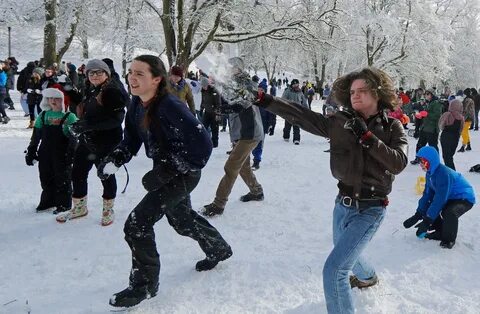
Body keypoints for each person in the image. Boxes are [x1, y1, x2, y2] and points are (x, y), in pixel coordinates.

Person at [255, 67, 408, 313]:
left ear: (377, 94)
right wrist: (267, 101)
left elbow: (398, 162)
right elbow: (302, 116)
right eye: (352, 92)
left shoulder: (392, 128)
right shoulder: (340, 122)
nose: (355, 96)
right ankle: (368, 277)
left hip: (371, 208)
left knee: (335, 270)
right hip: (342, 205)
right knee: (348, 254)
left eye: (362, 91)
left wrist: (367, 137)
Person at [97, 55, 231, 308]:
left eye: (139, 74)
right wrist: (116, 158)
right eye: (130, 72)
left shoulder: (170, 105)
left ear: (156, 79)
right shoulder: (136, 104)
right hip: (166, 170)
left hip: (185, 172)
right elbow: (133, 138)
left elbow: (202, 147)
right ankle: (218, 249)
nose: (132, 78)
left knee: (137, 225)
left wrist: (168, 170)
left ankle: (145, 285)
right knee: (181, 220)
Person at [56, 59, 129, 226]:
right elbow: (86, 105)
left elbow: (116, 120)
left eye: (99, 72)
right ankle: (80, 208)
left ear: (107, 74)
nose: (95, 75)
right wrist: (69, 89)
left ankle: (108, 210)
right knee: (78, 173)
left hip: (106, 142)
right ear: (87, 75)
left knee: (105, 174)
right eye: (91, 73)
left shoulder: (112, 91)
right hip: (88, 139)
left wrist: (86, 125)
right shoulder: (93, 88)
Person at [201, 57, 264, 217]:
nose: (230, 69)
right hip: (240, 132)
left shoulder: (247, 83)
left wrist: (226, 109)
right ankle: (257, 192)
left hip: (249, 133)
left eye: (233, 67)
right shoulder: (232, 83)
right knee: (243, 167)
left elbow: (245, 103)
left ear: (240, 68)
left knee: (231, 167)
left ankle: (218, 204)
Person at [403, 146, 475, 249]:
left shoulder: (444, 174)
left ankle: (448, 240)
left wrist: (427, 221)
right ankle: (439, 232)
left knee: (449, 212)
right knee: (431, 205)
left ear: (430, 161)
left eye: (422, 161)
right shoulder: (430, 174)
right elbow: (427, 195)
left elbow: (440, 200)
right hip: (451, 196)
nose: (420, 164)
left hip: (465, 197)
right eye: (419, 161)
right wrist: (418, 214)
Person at [24, 88, 78, 214]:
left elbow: (74, 138)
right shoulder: (43, 115)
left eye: (57, 98)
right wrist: (32, 150)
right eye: (50, 98)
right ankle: (48, 201)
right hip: (45, 153)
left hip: (62, 153)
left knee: (62, 179)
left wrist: (71, 153)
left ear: (64, 100)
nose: (53, 101)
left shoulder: (69, 117)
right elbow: (36, 135)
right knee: (45, 177)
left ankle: (63, 204)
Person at [410, 89, 443, 164]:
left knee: (433, 146)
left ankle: (436, 160)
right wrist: (420, 116)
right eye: (425, 94)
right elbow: (425, 114)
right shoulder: (428, 103)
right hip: (424, 127)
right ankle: (418, 158)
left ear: (432, 95)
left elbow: (437, 116)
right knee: (420, 144)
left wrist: (427, 114)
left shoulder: (436, 103)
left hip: (432, 129)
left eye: (428, 94)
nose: (426, 95)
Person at [438, 99, 464, 170]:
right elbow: (461, 128)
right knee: (450, 156)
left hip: (446, 136)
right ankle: (450, 172)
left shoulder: (447, 114)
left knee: (446, 156)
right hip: (455, 137)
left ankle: (452, 173)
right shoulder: (461, 117)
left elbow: (441, 125)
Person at [281, 79, 308, 144]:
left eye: (297, 84)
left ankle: (296, 139)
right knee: (287, 125)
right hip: (289, 111)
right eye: (294, 84)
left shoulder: (300, 92)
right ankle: (286, 137)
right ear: (292, 85)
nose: (296, 85)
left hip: (297, 111)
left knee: (296, 125)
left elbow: (304, 102)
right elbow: (283, 99)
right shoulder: (288, 91)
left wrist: (307, 110)